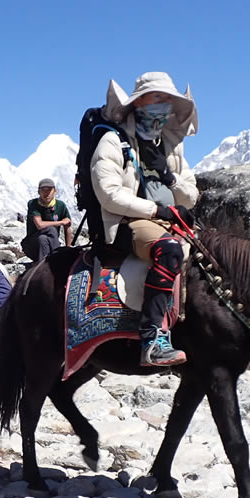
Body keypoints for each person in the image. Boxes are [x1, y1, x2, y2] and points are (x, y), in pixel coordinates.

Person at [90, 72, 198, 366]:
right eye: (157, 97)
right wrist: (155, 210)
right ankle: (152, 339)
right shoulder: (113, 141)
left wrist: (169, 177)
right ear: (138, 102)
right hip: (129, 221)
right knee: (169, 250)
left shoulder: (171, 145)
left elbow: (191, 195)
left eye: (168, 99)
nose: (164, 105)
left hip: (170, 220)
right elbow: (109, 194)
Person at [23, 178, 71, 261]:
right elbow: (40, 225)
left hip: (49, 243)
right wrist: (61, 222)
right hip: (32, 245)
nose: (46, 193)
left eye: (49, 190)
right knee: (51, 229)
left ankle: (44, 264)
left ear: (54, 191)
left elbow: (67, 226)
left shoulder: (60, 205)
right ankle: (58, 258)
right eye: (43, 190)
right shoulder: (33, 204)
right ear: (39, 192)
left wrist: (68, 248)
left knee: (43, 239)